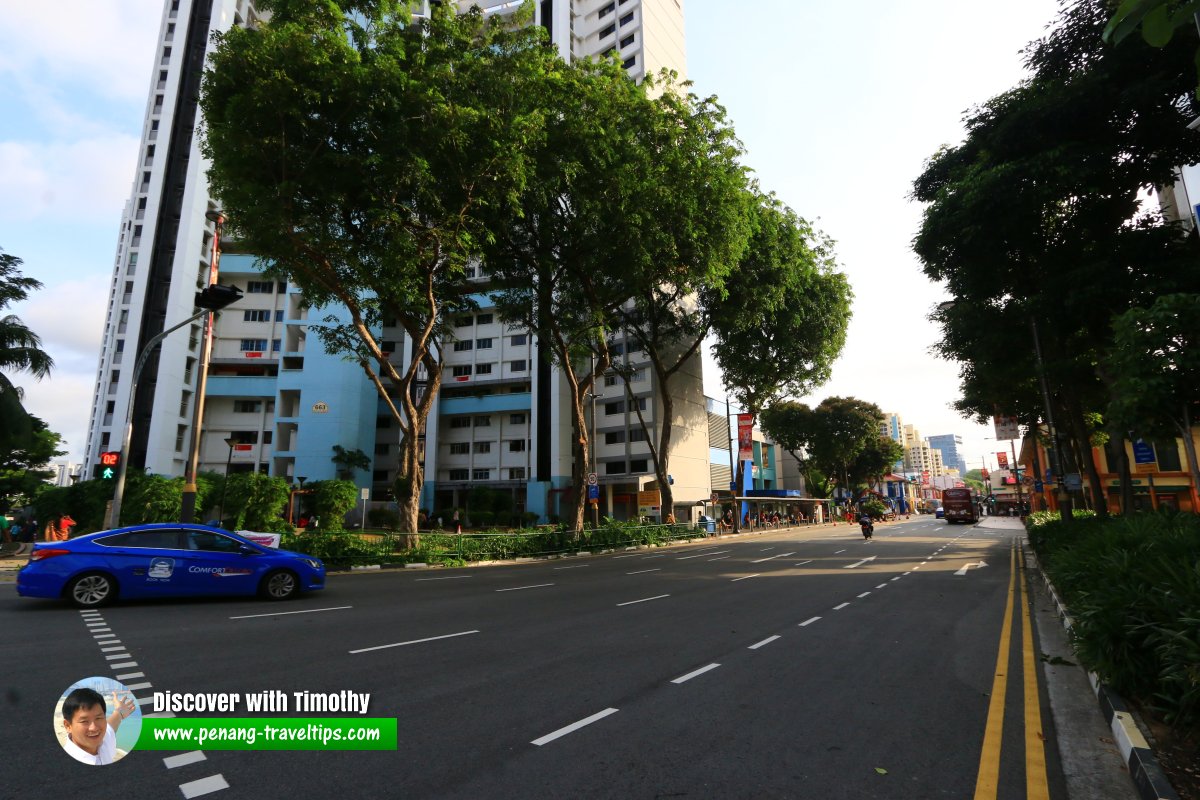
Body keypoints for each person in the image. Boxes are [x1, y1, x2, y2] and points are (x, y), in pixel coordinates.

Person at [59, 687, 135, 765]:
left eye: (98, 718)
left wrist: (120, 711)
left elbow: (111, 725)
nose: (94, 728)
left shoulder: (103, 741)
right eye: (84, 721)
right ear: (68, 726)